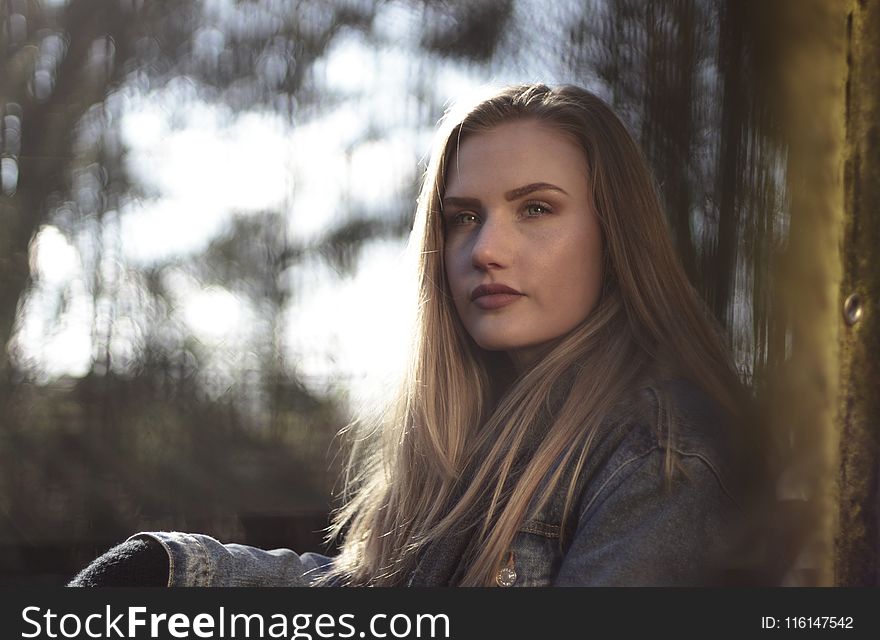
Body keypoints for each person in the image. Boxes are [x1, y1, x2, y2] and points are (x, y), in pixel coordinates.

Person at [70, 83, 761, 588]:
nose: (486, 248)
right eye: (463, 216)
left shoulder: (664, 450)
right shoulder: (472, 429)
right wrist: (176, 568)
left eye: (536, 208)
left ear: (616, 234)